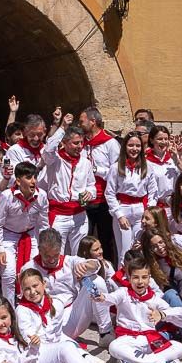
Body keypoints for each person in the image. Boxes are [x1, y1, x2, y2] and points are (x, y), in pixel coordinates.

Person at [13, 268, 127, 363]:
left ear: (44, 284)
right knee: (66, 348)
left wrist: (81, 352)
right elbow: (30, 346)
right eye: (27, 289)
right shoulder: (22, 310)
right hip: (34, 358)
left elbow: (58, 334)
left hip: (53, 353)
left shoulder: (56, 303)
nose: (32, 292)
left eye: (35, 286)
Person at [100, 253, 182, 363]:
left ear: (149, 279)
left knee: (180, 348)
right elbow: (109, 299)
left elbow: (174, 312)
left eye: (144, 277)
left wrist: (162, 314)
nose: (140, 282)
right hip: (128, 339)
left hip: (151, 339)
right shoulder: (123, 293)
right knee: (114, 347)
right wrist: (101, 297)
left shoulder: (155, 298)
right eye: (135, 277)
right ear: (129, 278)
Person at [0, 161, 48, 302]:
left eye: (34, 177)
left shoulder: (41, 195)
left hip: (31, 236)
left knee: (34, 272)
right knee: (8, 274)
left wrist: (44, 245)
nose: (33, 181)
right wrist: (0, 249)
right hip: (9, 236)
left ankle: (33, 307)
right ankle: (10, 310)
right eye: (29, 178)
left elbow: (43, 224)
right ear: (18, 180)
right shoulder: (7, 196)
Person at [42, 120, 95, 254]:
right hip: (59, 215)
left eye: (81, 143)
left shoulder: (85, 162)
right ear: (64, 143)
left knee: (79, 254)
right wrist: (62, 127)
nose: (80, 146)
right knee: (57, 253)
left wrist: (90, 193)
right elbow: (48, 148)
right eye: (75, 143)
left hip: (80, 214)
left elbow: (91, 185)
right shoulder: (54, 160)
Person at [80, 106, 120, 263]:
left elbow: (117, 171)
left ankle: (108, 273)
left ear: (93, 121)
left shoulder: (110, 144)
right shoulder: (81, 143)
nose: (80, 124)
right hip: (85, 199)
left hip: (103, 200)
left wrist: (97, 170)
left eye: (82, 121)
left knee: (105, 240)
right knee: (86, 241)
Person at [104, 133, 151, 262]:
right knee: (124, 251)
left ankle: (138, 278)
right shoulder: (116, 167)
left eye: (137, 145)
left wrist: (148, 212)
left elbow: (153, 192)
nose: (134, 149)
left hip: (141, 211)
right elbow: (109, 193)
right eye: (130, 145)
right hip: (123, 209)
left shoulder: (147, 167)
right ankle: (122, 280)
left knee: (138, 248)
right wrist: (119, 215)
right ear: (125, 147)